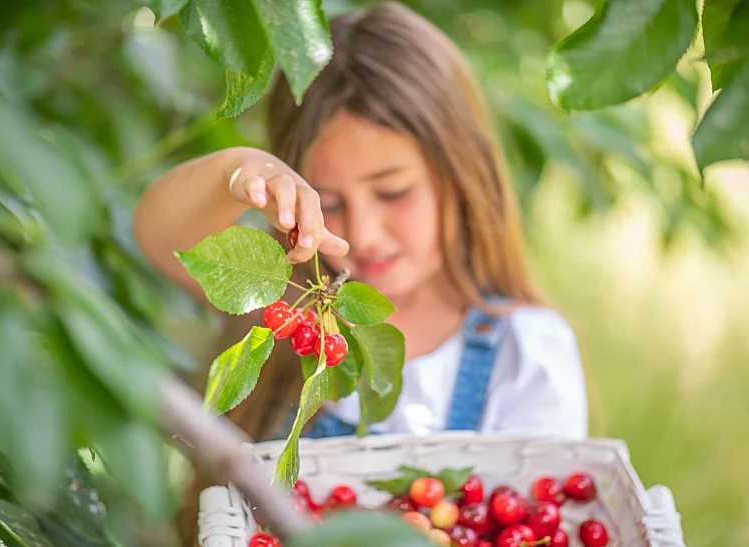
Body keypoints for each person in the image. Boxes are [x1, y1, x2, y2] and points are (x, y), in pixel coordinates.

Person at [133, 2, 587, 544]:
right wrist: (243, 171)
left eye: (393, 192)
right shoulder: (287, 307)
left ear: (462, 174)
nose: (365, 234)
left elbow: (540, 512)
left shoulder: (525, 351)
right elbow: (162, 239)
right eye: (328, 200)